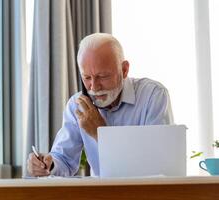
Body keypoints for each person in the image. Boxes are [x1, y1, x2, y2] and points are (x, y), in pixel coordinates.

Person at [27, 33, 174, 177]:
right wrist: (48, 165)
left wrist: (100, 132)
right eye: (87, 77)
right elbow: (64, 160)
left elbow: (157, 164)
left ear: (124, 70)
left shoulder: (153, 96)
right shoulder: (76, 105)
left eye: (102, 76)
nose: (94, 87)